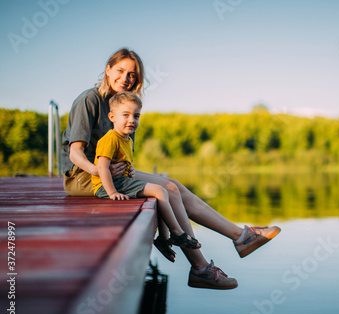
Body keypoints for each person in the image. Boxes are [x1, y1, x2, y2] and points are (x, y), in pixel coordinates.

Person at [61, 47, 281, 290]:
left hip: (110, 174)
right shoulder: (90, 100)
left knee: (173, 185)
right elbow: (75, 153)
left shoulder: (127, 107)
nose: (126, 78)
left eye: (132, 74)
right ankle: (203, 266)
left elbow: (120, 154)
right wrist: (99, 171)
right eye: (120, 71)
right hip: (84, 178)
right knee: (169, 189)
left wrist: (126, 171)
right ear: (107, 70)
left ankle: (239, 238)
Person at [92, 91, 202, 252]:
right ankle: (177, 233)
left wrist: (130, 172)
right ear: (112, 117)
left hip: (121, 181)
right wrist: (112, 192)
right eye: (125, 115)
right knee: (159, 190)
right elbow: (102, 167)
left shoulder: (126, 139)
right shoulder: (110, 139)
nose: (132, 120)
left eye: (136, 116)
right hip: (108, 186)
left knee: (160, 191)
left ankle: (164, 238)